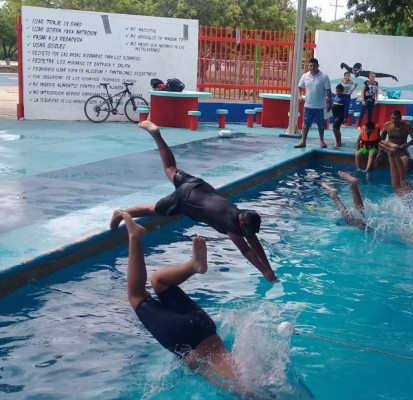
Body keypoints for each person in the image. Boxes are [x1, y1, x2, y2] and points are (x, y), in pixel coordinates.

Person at [110, 121, 277, 282]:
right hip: (186, 199)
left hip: (198, 186)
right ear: (242, 225)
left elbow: (254, 241)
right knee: (151, 210)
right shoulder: (231, 226)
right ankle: (121, 213)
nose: (248, 235)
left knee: (170, 168)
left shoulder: (241, 215)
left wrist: (268, 269)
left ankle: (156, 134)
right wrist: (264, 270)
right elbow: (247, 250)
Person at [119, 210, 245, 394]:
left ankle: (193, 266)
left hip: (205, 326)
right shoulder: (242, 386)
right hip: (185, 339)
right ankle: (135, 237)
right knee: (136, 295)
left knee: (159, 281)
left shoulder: (248, 371)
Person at [322, 144, 412, 229]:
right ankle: (338, 194)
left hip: (403, 225)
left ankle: (350, 188)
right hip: (399, 230)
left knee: (362, 218)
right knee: (355, 222)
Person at [294, 58, 333, 148]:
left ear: (317, 66)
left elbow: (328, 90)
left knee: (321, 125)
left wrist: (329, 102)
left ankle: (322, 141)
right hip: (308, 105)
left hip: (320, 106)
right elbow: (299, 87)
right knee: (305, 124)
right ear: (308, 66)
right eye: (310, 65)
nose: (312, 67)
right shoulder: (305, 76)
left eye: (314, 66)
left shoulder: (324, 76)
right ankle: (303, 141)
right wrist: (299, 96)